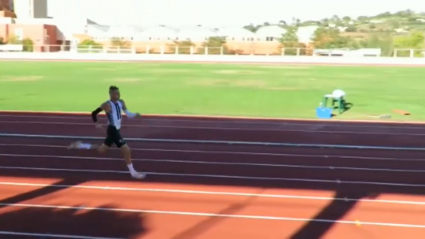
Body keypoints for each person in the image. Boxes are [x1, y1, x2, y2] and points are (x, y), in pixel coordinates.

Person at [68, 85, 146, 179]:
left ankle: (81, 145)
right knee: (126, 149)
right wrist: (97, 123)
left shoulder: (121, 102)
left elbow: (128, 114)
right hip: (112, 129)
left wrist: (135, 115)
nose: (118, 94)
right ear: (111, 94)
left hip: (116, 129)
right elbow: (94, 113)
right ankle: (133, 172)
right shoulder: (107, 104)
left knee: (102, 149)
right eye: (116, 93)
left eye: (118, 92)